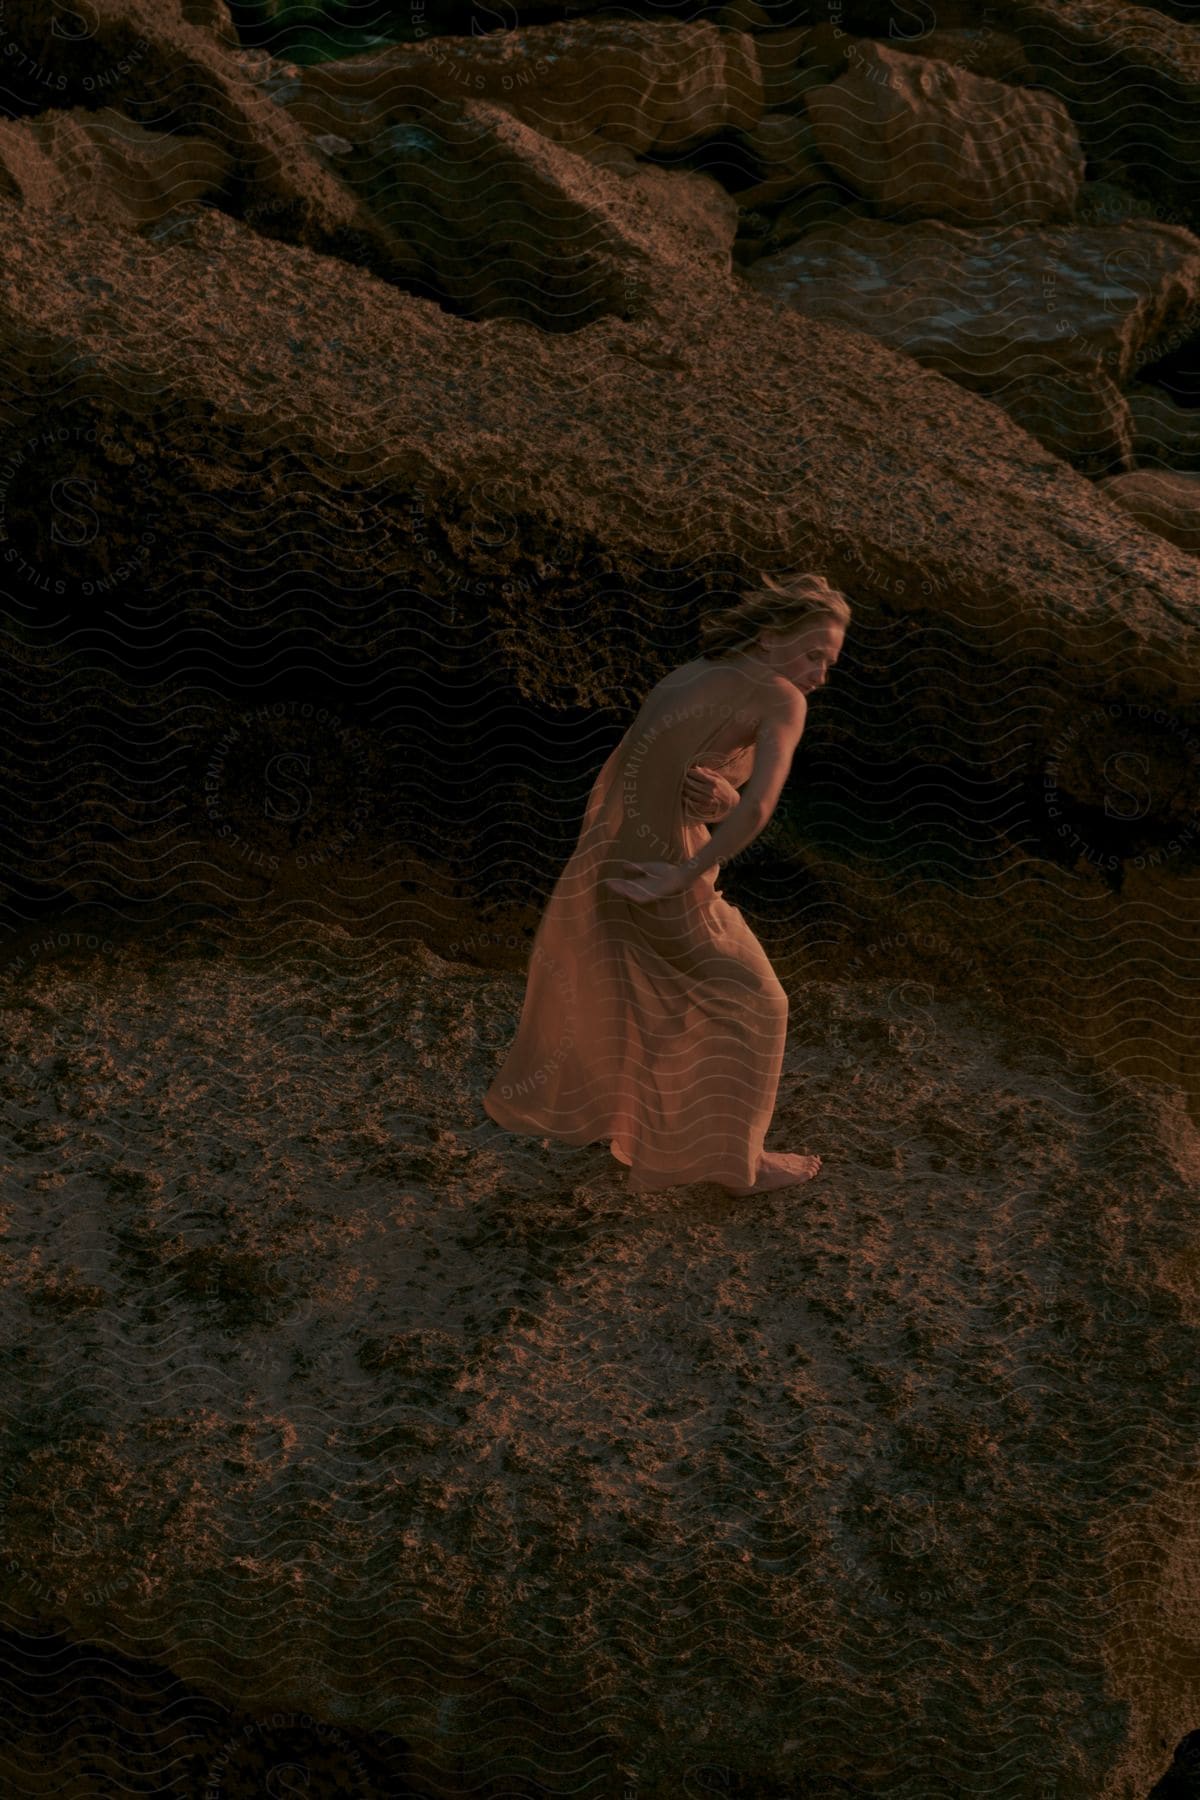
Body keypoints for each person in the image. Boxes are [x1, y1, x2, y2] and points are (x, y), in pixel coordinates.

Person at [482, 570, 851, 1196]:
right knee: (761, 1003)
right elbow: (759, 809)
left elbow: (641, 777)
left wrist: (710, 804)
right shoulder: (783, 700)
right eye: (813, 654)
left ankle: (636, 1133)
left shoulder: (690, 674)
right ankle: (741, 1163)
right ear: (768, 637)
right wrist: (685, 871)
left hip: (616, 864)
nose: (820, 673)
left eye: (830, 662)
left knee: (663, 1000)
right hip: (664, 877)